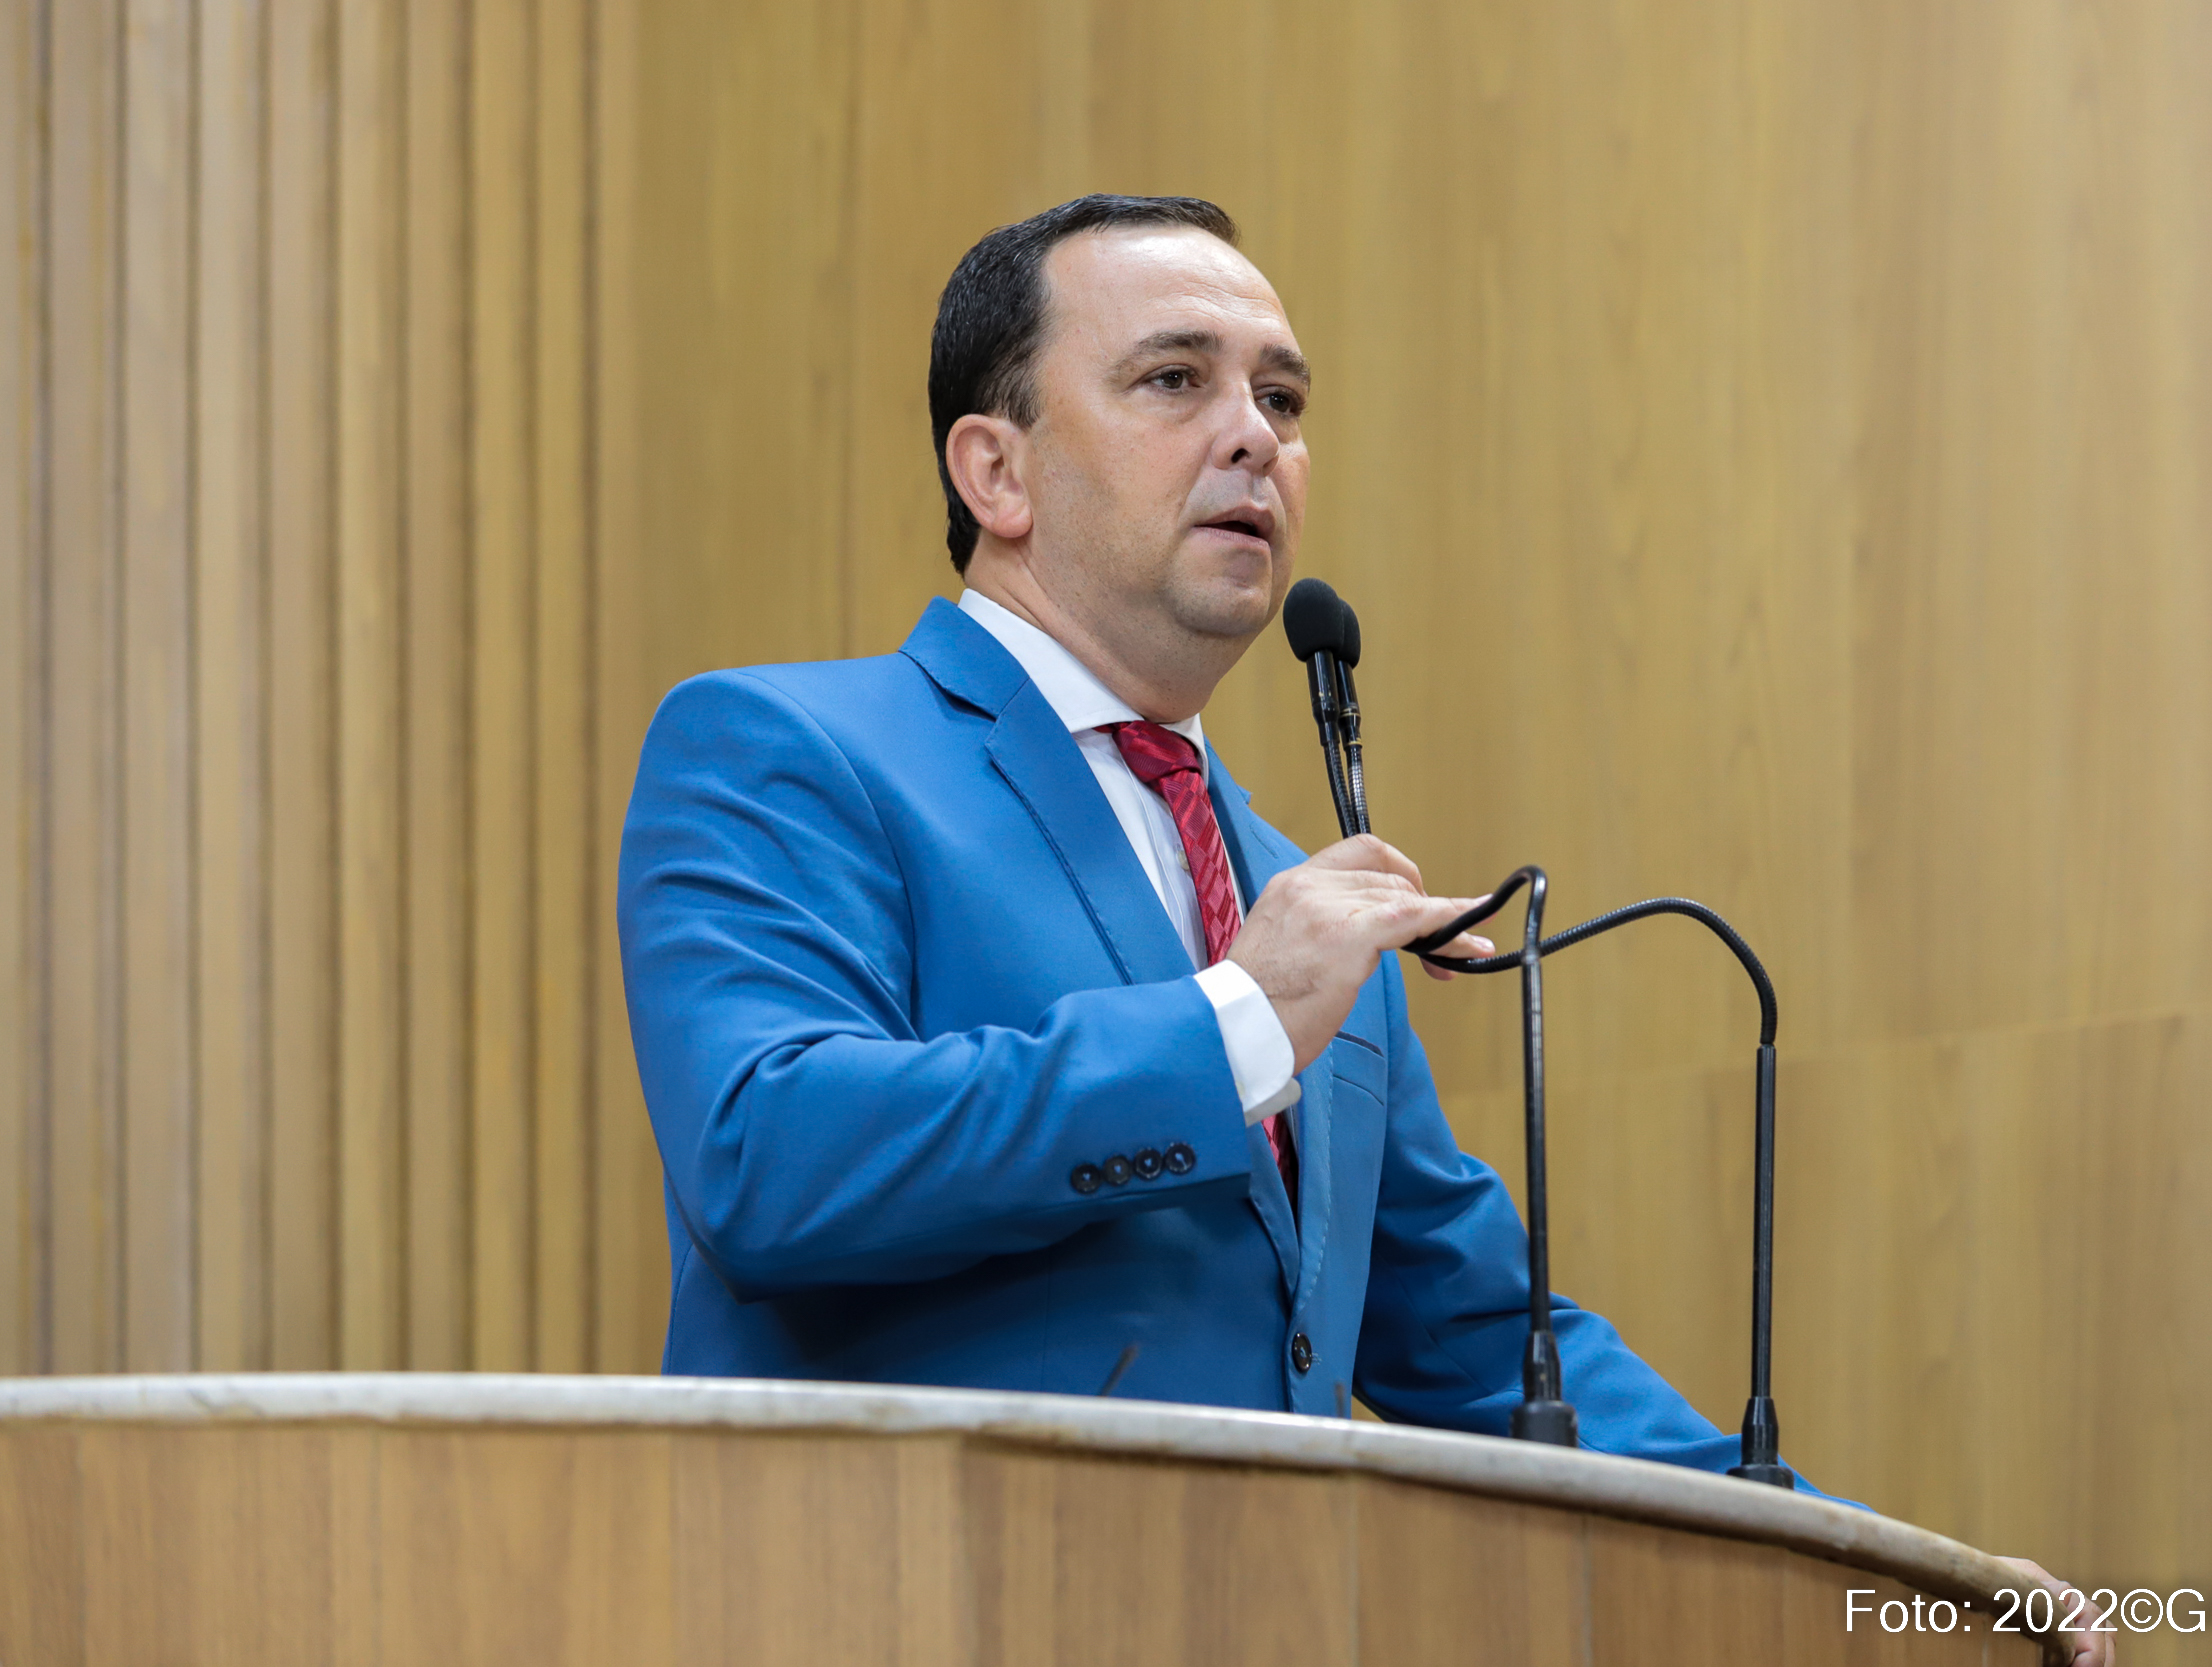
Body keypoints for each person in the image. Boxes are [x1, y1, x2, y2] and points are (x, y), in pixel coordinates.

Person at [617, 194, 2109, 1662]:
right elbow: (768, 1155)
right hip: (904, 1613)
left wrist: (1871, 1567)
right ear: (995, 471)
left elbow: (1472, 1331)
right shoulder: (788, 749)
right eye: (1174, 380)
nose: (1254, 436)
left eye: (1282, 398)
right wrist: (1234, 1024)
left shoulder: (1292, 897)